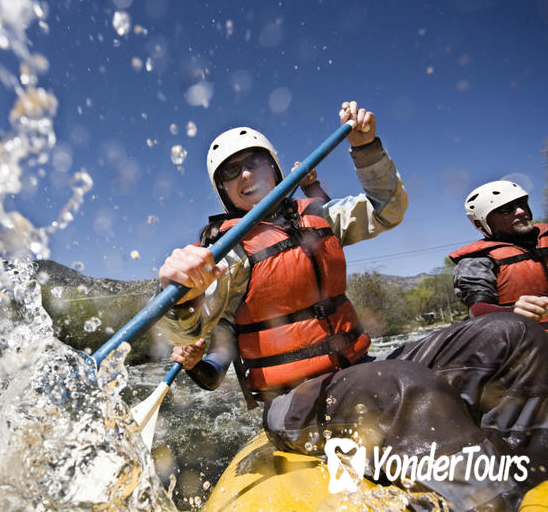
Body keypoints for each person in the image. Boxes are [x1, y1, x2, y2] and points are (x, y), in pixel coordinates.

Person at [156, 102, 548, 511]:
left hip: (361, 369)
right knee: (398, 384)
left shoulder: (318, 216)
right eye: (230, 173)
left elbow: (387, 209)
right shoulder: (226, 253)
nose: (246, 175)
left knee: (513, 335)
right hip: (294, 403)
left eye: (253, 162)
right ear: (223, 191)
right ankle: (489, 502)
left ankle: (519, 472)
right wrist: (180, 290)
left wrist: (366, 149)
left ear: (274, 166)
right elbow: (190, 328)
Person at [449, 180, 548, 325]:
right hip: (528, 340)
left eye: (522, 204)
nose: (521, 211)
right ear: (481, 222)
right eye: (506, 209)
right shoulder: (476, 261)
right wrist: (513, 312)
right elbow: (477, 309)